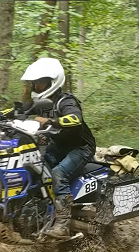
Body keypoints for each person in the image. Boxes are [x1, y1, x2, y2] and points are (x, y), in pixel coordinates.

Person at [20, 58, 96, 239]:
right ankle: (39, 213)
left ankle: (62, 222)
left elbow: (75, 119)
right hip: (60, 146)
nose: (37, 86)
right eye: (35, 83)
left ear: (53, 82)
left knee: (58, 174)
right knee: (36, 167)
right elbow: (21, 110)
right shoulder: (42, 104)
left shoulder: (66, 101)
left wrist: (50, 121)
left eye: (41, 83)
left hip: (81, 147)